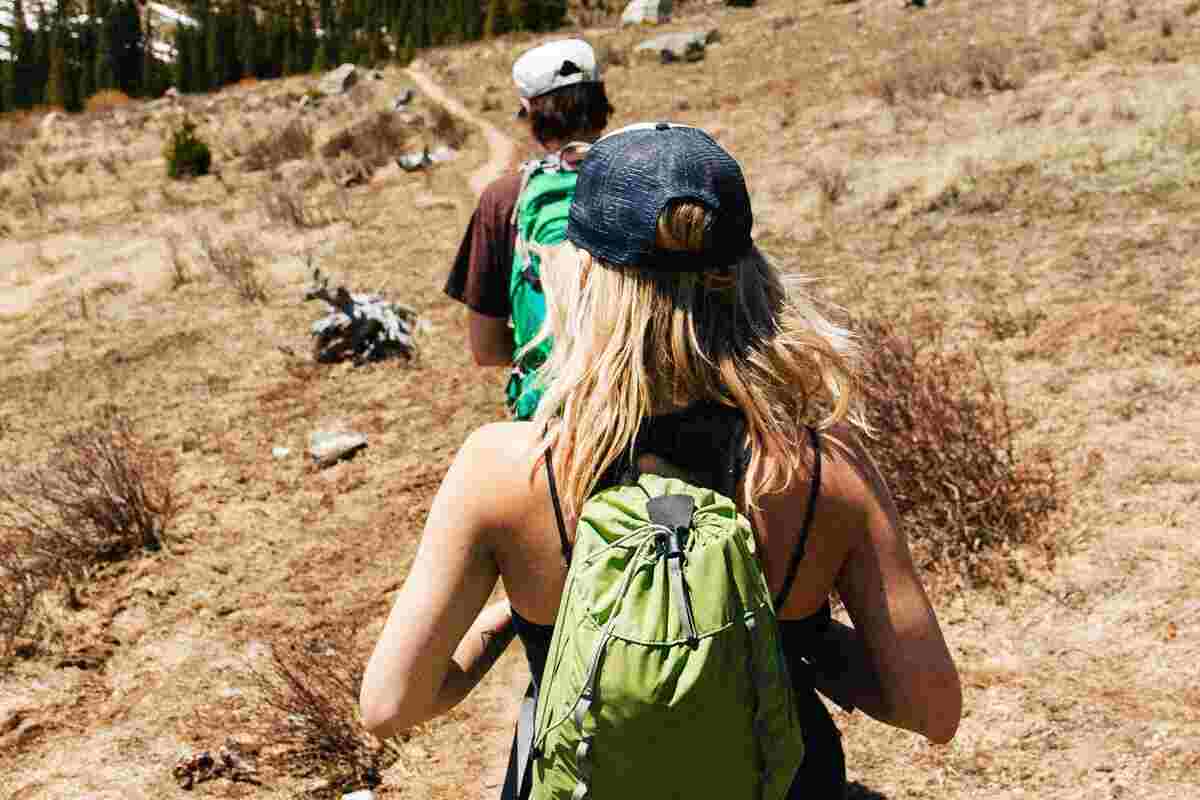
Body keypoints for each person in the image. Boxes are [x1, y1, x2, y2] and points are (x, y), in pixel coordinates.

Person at [364, 123, 962, 798]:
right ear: (748, 280)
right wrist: (796, 633)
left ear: (582, 274)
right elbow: (931, 710)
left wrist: (511, 619)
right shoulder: (824, 470)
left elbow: (390, 706)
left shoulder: (504, 469)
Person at [443, 38, 614, 418]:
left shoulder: (505, 199)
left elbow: (486, 348)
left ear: (529, 114)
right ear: (602, 102)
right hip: (651, 406)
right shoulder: (650, 177)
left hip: (555, 415)